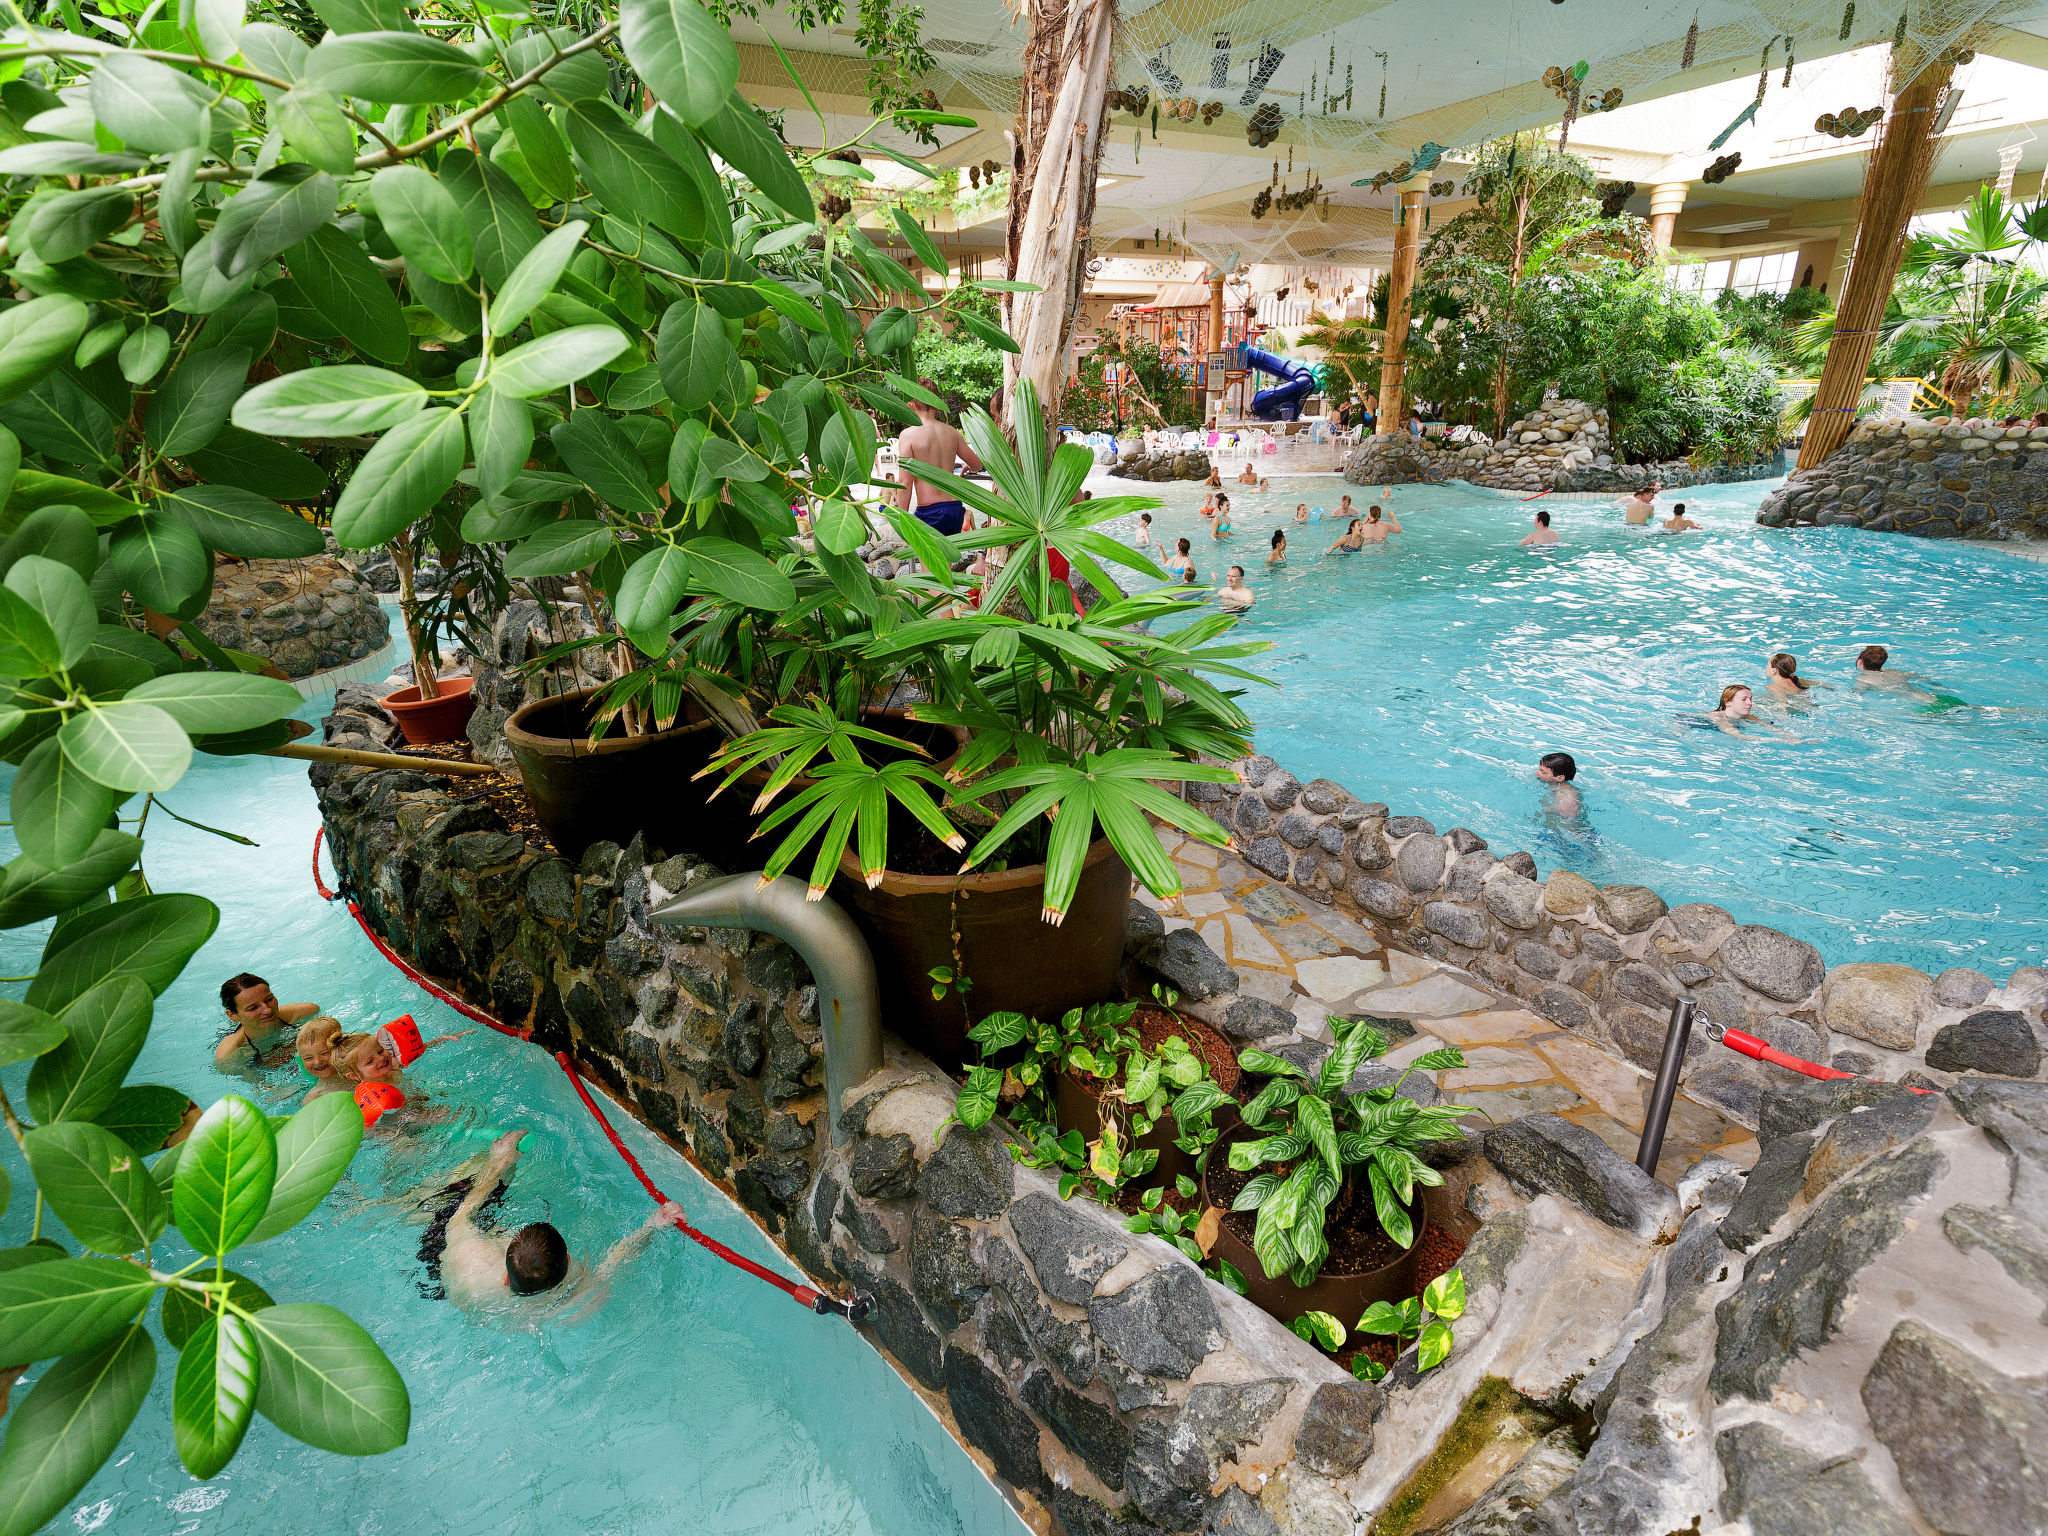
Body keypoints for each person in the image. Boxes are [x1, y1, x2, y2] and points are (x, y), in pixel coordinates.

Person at [422, 1130, 683, 1310]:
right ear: (567, 1261)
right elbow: (613, 1265)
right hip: (490, 1297)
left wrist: (498, 1162)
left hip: (449, 1271)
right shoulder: (567, 1300)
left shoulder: (474, 1255)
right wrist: (654, 1224)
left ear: (505, 1276)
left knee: (468, 1187)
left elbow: (461, 1214)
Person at [894, 381, 984, 534]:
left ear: (910, 405)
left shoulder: (909, 435)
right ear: (936, 406)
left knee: (929, 558)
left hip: (929, 512)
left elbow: (905, 482)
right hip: (954, 509)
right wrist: (966, 467)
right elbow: (976, 464)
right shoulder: (951, 432)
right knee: (946, 557)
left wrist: (902, 519)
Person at [216, 973, 318, 1067]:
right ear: (232, 1015)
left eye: (269, 999)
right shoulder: (230, 1054)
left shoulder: (305, 1014)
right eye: (253, 1008)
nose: (267, 1010)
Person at [1697, 684, 1803, 741]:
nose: (1750, 703)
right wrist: (1784, 741)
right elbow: (1740, 737)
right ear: (1728, 702)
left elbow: (1771, 728)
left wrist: (1795, 738)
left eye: (1750, 699)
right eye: (1744, 699)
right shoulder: (1719, 718)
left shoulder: (1749, 717)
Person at [1853, 644, 1938, 702]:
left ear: (1860, 662)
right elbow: (1923, 678)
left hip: (1919, 703)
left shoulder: (1863, 680)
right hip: (1930, 697)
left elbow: (1855, 696)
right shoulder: (1895, 672)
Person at [296, 1016, 349, 1098]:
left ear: (341, 1047)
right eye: (308, 1058)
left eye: (324, 1053)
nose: (318, 1062)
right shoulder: (315, 1095)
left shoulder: (361, 1068)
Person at [1765, 651, 1830, 705]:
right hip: (1810, 706)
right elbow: (1823, 684)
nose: (1766, 666)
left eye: (1768, 664)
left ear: (1774, 670)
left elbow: (1783, 705)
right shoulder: (1799, 681)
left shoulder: (1773, 687)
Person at [1535, 752, 1582, 819]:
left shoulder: (1566, 801)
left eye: (1543, 772)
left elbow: (1570, 827)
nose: (1536, 774)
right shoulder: (1556, 787)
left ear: (1560, 778)